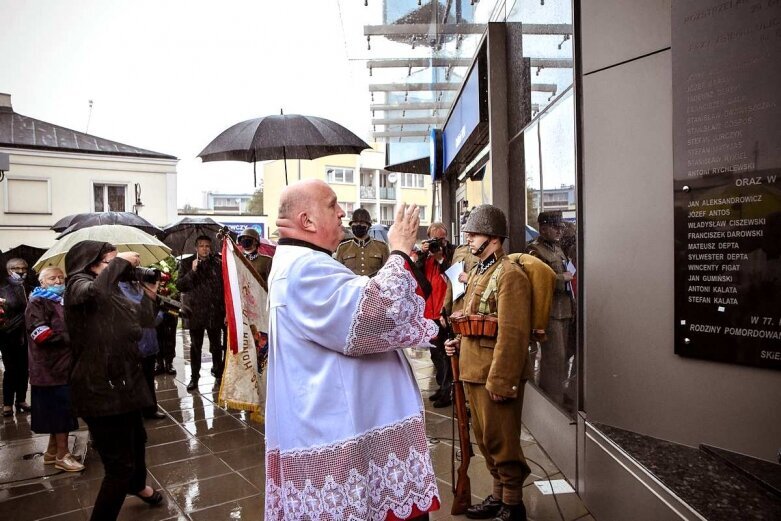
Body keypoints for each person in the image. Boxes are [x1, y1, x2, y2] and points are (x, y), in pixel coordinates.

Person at [265, 179, 440, 520]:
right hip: (341, 431)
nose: (343, 212)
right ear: (307, 221)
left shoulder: (303, 262)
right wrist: (400, 250)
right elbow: (374, 314)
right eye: (332, 204)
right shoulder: (305, 269)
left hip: (345, 422)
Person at [445, 204, 533, 521]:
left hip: (493, 375)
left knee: (503, 442)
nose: (468, 237)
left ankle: (513, 504)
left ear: (493, 238)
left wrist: (502, 380)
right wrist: (458, 341)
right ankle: (498, 498)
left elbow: (513, 334)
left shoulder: (510, 275)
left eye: (475, 232)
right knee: (485, 441)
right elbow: (474, 321)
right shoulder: (482, 271)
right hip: (473, 369)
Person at [64, 241, 162, 520]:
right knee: (119, 466)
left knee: (137, 439)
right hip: (99, 388)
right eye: (110, 261)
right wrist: (123, 263)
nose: (117, 266)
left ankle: (137, 486)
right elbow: (93, 292)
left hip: (123, 382)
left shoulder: (111, 290)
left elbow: (138, 324)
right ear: (91, 263)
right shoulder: (77, 285)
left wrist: (149, 296)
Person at [25, 266, 84, 472]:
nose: (58, 281)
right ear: (42, 282)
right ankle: (62, 455)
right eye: (52, 278)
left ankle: (52, 452)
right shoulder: (37, 301)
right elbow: (40, 334)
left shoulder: (58, 301)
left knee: (60, 413)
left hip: (63, 367)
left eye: (61, 277)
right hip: (50, 370)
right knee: (61, 413)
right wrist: (72, 337)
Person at [526, 211, 575, 406]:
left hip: (564, 310)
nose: (560, 231)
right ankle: (553, 401)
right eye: (556, 227)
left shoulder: (557, 249)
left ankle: (555, 396)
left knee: (561, 358)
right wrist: (563, 278)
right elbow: (537, 279)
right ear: (543, 228)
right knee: (554, 359)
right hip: (550, 312)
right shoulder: (535, 250)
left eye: (561, 227)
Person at [176, 235, 225, 391]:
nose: (205, 249)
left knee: (216, 345)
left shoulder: (217, 263)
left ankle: (218, 373)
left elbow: (222, 287)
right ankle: (194, 378)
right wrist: (192, 271)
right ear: (196, 247)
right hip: (196, 312)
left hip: (214, 311)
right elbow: (180, 286)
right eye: (202, 246)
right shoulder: (186, 263)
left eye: (208, 246)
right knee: (195, 346)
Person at [416, 222, 457, 408]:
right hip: (428, 312)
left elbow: (454, 276)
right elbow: (416, 275)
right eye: (435, 239)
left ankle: (448, 391)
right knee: (434, 353)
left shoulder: (451, 253)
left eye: (442, 239)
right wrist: (423, 254)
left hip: (443, 312)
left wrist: (440, 258)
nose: (439, 243)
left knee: (446, 353)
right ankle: (442, 387)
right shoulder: (426, 256)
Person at [119, 279, 167, 420]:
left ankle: (150, 409)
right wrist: (148, 294)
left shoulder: (138, 285)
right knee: (135, 381)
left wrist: (153, 294)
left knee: (148, 379)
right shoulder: (120, 288)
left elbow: (151, 319)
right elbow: (142, 314)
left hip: (149, 342)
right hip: (135, 345)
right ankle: (137, 412)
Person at [0, 258, 32, 417]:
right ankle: (7, 403)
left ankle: (20, 399)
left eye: (24, 268)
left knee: (24, 369)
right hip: (8, 337)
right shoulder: (3, 290)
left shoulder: (29, 287)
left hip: (27, 336)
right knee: (11, 370)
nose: (20, 271)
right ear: (8, 270)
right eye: (16, 268)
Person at [334, 208, 390, 277]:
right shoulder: (343, 248)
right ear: (351, 225)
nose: (358, 225)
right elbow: (338, 273)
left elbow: (387, 273)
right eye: (355, 223)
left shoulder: (382, 247)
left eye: (362, 223)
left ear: (368, 226)